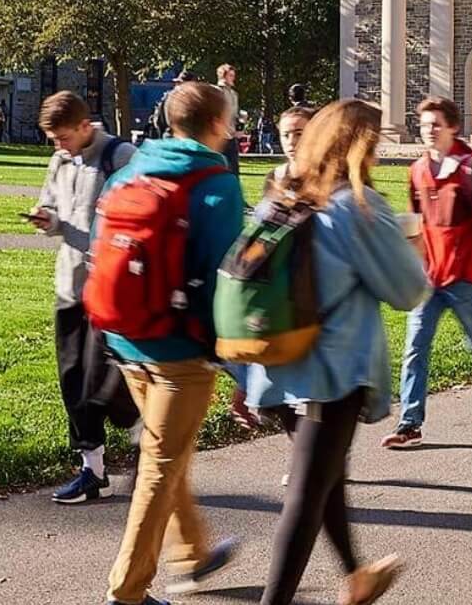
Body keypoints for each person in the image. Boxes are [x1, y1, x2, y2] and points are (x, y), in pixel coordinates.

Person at [242, 100, 427, 605]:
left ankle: (357, 575)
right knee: (306, 493)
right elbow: (409, 291)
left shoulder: (282, 197)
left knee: (326, 477)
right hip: (330, 370)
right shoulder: (357, 207)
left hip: (276, 363)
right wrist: (415, 248)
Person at [99, 82, 246, 605]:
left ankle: (192, 553)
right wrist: (237, 366)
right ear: (217, 126)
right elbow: (224, 281)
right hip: (179, 348)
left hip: (124, 333)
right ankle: (127, 592)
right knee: (161, 463)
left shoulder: (128, 171)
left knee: (168, 448)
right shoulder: (215, 184)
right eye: (230, 119)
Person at [28, 92, 138, 505]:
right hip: (70, 284)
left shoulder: (120, 156)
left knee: (104, 381)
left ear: (84, 124)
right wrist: (46, 219)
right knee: (73, 379)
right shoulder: (60, 161)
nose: (59, 146)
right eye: (53, 139)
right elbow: (55, 210)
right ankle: (92, 468)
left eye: (63, 137)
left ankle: (146, 434)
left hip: (110, 289)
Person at [384, 97, 472, 447]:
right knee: (414, 348)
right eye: (424, 125)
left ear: (453, 127)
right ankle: (410, 422)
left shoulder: (471, 169)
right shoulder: (418, 170)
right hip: (429, 277)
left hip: (463, 277)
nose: (429, 131)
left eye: (436, 124)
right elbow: (415, 224)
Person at [264, 105, 315, 197]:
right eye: (285, 135)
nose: (291, 142)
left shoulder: (332, 179)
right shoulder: (275, 177)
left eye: (299, 134)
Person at [216, 64, 241, 177]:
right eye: (230, 75)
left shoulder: (234, 94)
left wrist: (240, 125)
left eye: (233, 75)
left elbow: (234, 115)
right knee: (219, 170)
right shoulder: (217, 92)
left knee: (234, 171)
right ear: (223, 76)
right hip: (219, 137)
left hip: (231, 137)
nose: (233, 78)